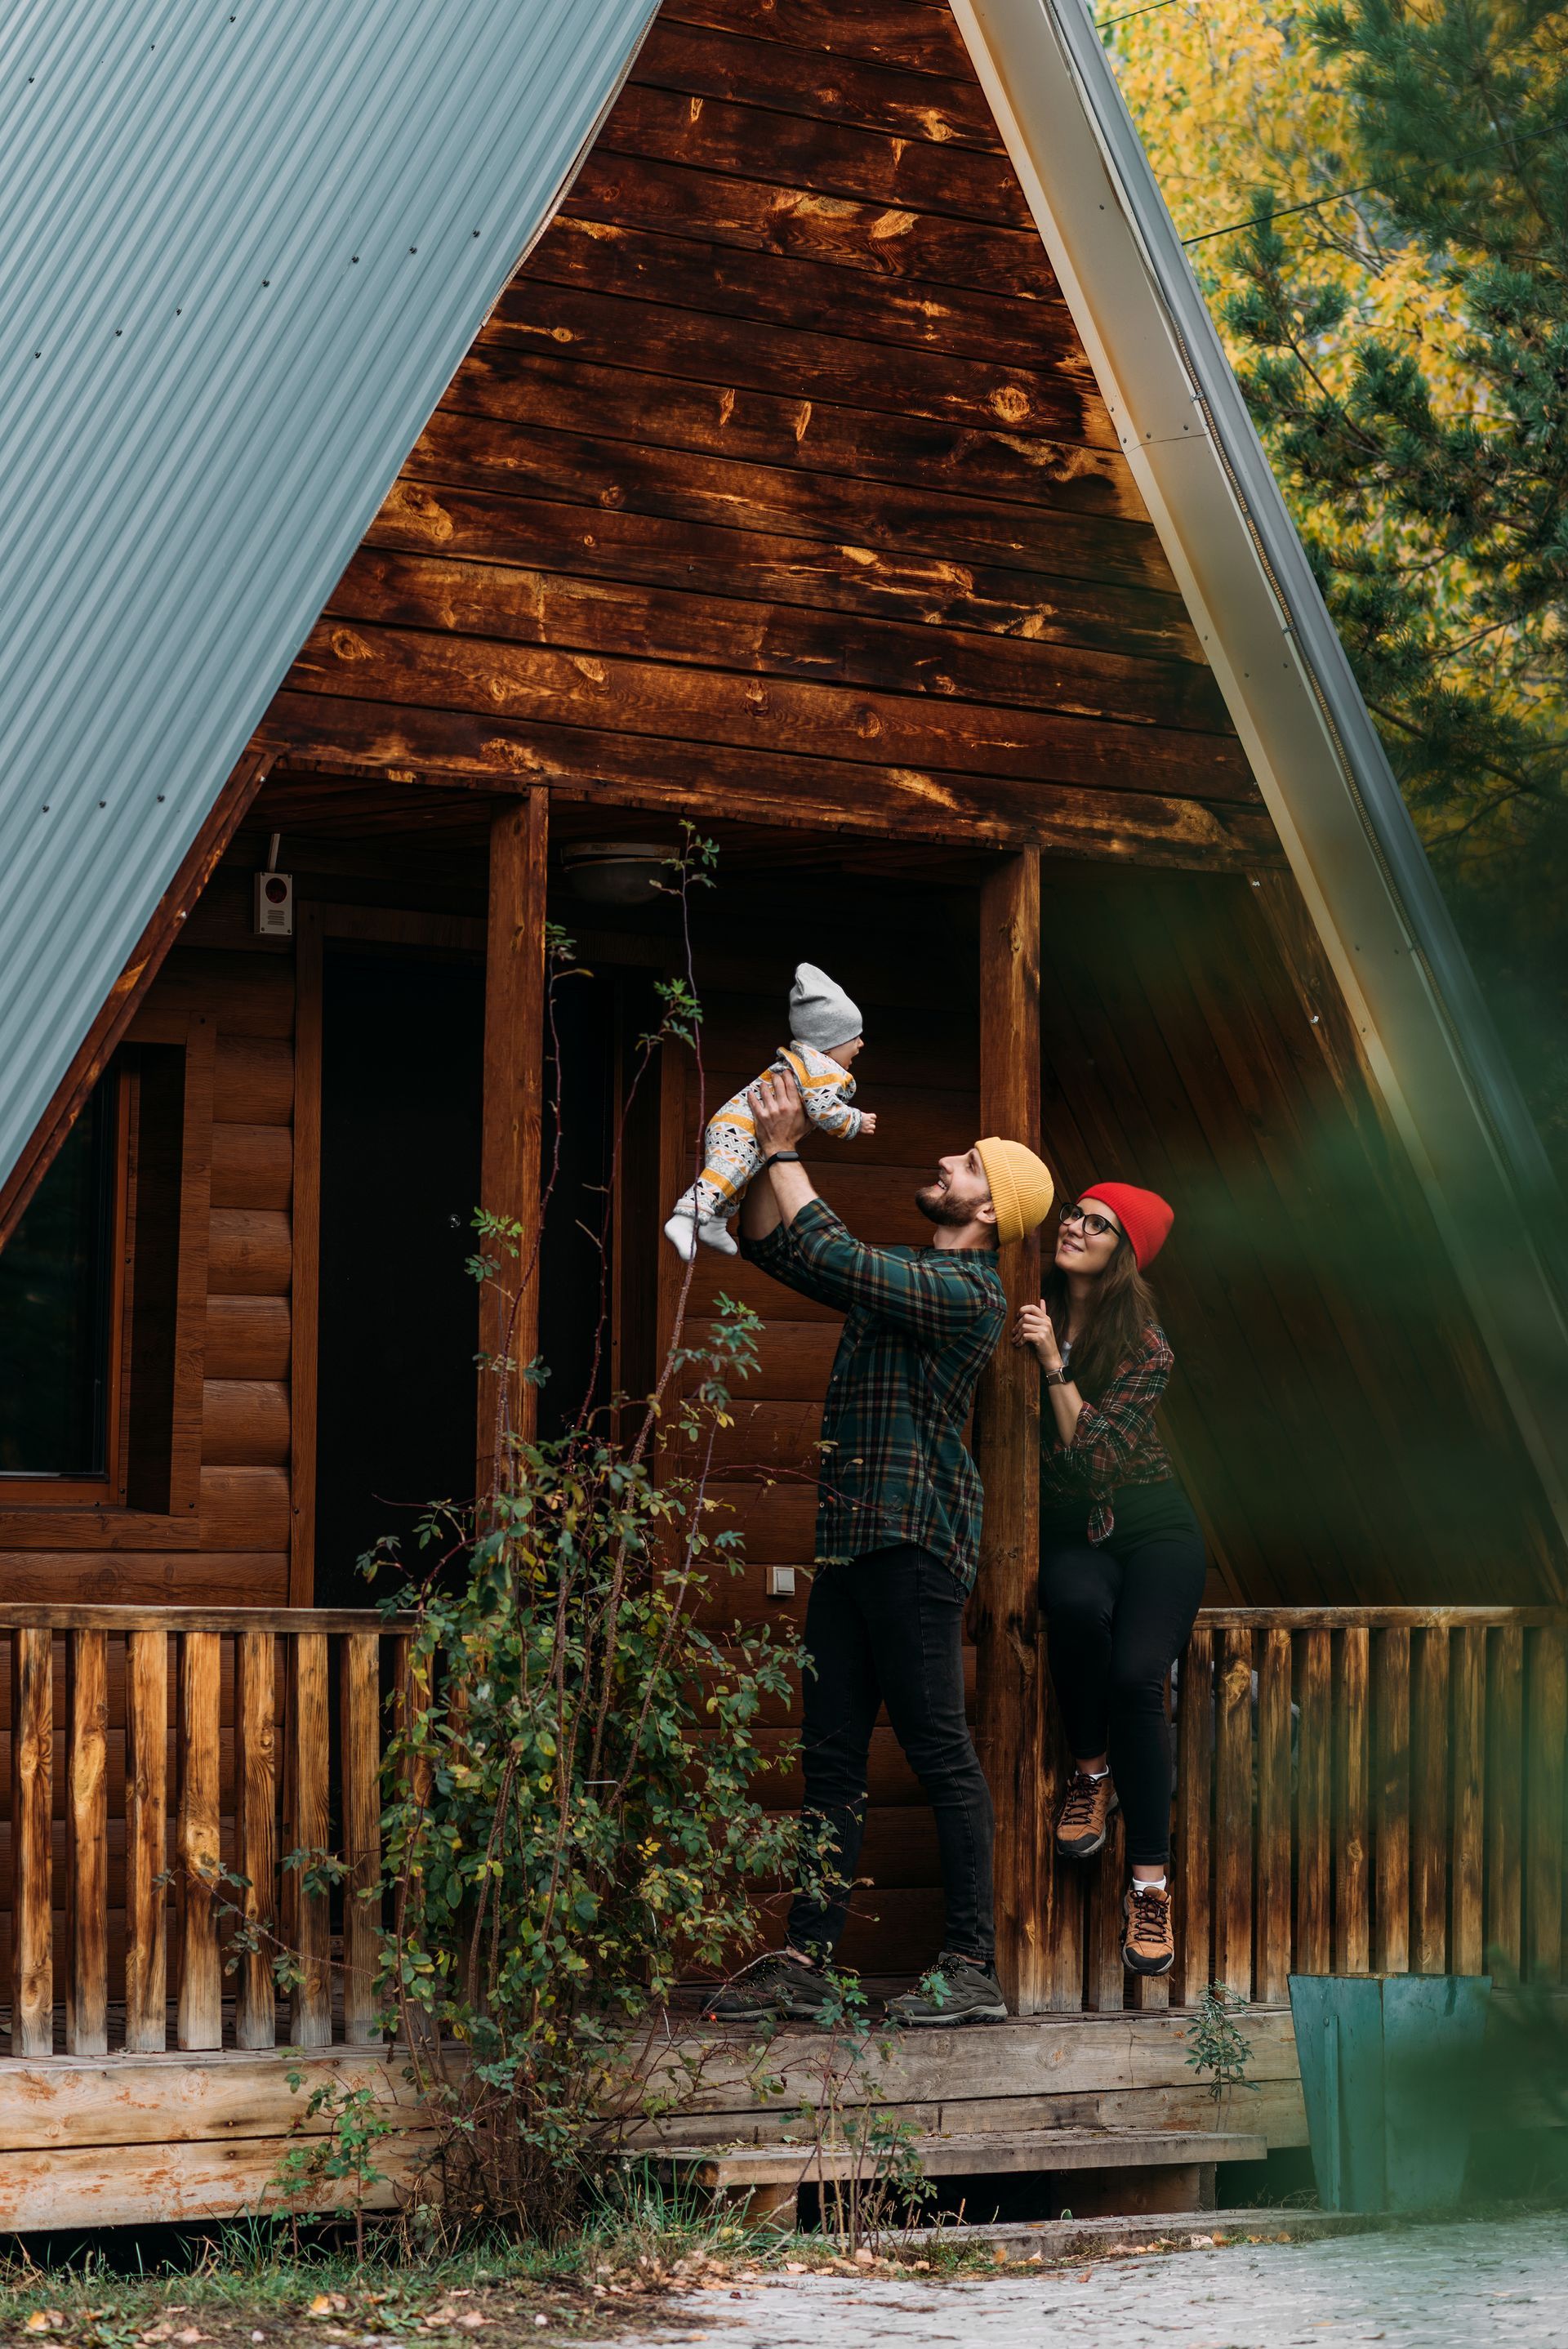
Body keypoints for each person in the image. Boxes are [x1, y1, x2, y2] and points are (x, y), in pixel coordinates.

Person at [706, 1067, 1054, 2028]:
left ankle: (969, 1964)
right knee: (830, 1760)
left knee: (940, 1750)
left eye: (964, 1163)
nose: (944, 1164)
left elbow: (840, 1256)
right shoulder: (908, 1275)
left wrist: (786, 1149)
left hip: (916, 1544)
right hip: (852, 1543)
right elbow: (795, 1256)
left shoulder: (964, 1291)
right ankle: (810, 1961)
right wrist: (739, 1152)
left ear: (989, 1205)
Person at [1013, 1182, 1205, 1980]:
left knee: (1137, 1676)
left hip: (1155, 1525)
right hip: (1074, 1535)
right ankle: (1090, 1773)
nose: (1075, 1226)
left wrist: (1054, 1359)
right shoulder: (1024, 1303)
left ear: (1123, 1252)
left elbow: (1094, 1458)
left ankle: (1151, 1886)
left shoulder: (1145, 1344)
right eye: (1076, 1212)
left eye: (1097, 1223)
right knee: (1074, 1604)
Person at [663, 963, 875, 1259]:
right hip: (737, 1126)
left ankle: (715, 1223)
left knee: (741, 1176)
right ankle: (686, 1217)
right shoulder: (819, 1069)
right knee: (729, 1170)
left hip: (739, 1127)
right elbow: (823, 1110)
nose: (861, 1044)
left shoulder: (810, 1063)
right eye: (855, 1038)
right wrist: (855, 1121)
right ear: (830, 1043)